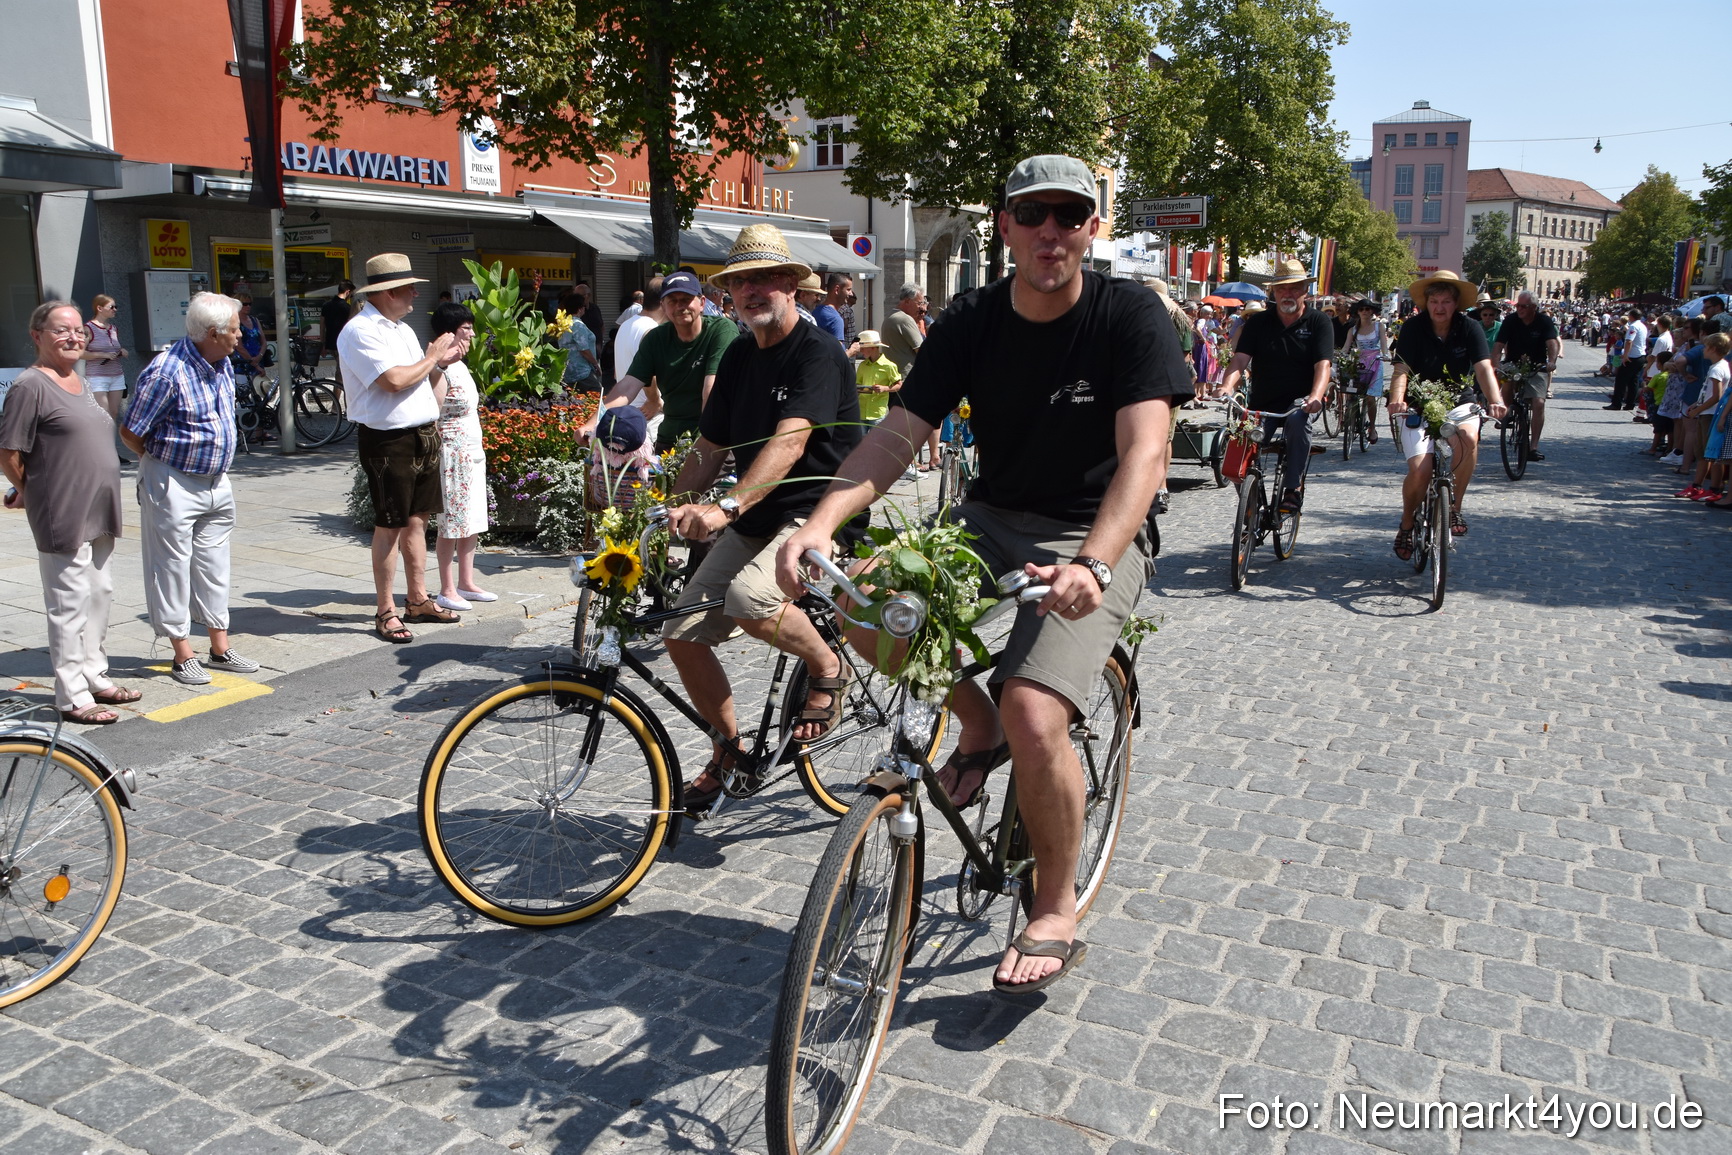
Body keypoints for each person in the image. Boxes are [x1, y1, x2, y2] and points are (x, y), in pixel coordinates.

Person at [777, 154, 1190, 992]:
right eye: (1033, 213)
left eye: (1069, 215)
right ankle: (977, 727)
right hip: (988, 520)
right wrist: (819, 523)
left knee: (1036, 706)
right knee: (859, 606)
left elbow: (1146, 455)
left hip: (1091, 527)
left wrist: (1096, 562)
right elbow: (898, 434)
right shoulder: (969, 320)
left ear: (1090, 228)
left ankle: (1054, 901)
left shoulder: (1129, 316)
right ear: (1003, 225)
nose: (1050, 230)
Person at [657, 223, 864, 810]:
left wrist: (724, 506)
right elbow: (708, 447)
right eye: (741, 281)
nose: (752, 290)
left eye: (765, 279)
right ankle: (730, 753)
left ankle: (827, 664)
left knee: (750, 600)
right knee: (682, 632)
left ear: (791, 286)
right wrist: (670, 508)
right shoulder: (741, 354)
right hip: (756, 516)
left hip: (817, 511)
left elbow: (790, 443)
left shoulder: (818, 352)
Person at [0, 301, 137, 724]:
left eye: (78, 330)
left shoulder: (78, 380)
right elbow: (9, 453)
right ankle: (72, 696)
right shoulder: (30, 385)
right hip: (63, 510)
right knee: (68, 605)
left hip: (99, 508)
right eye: (62, 330)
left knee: (99, 596)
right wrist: (32, 491)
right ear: (37, 335)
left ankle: (95, 675)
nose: (74, 337)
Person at [122, 292, 261, 685]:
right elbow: (131, 430)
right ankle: (182, 654)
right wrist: (158, 462)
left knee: (215, 569)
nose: (242, 334)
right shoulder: (167, 371)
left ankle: (220, 647)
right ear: (214, 333)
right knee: (171, 569)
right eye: (235, 329)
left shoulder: (219, 361)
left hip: (216, 481)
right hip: (174, 481)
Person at [338, 253, 468, 644]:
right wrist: (431, 357)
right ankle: (385, 610)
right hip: (387, 439)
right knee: (390, 524)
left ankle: (417, 599)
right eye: (410, 287)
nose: (415, 294)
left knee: (418, 520)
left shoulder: (400, 328)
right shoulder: (360, 331)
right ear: (388, 291)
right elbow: (393, 381)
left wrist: (439, 364)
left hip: (420, 432)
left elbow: (419, 380)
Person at [1386, 270, 1507, 556]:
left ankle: (1454, 508)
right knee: (1420, 470)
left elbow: (1483, 367)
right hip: (1418, 404)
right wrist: (1397, 399)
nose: (1440, 307)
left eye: (1446, 301)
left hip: (1458, 401)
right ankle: (1406, 523)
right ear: (1426, 303)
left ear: (1457, 304)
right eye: (1434, 301)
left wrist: (1496, 399)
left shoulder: (1470, 328)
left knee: (1468, 440)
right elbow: (1401, 369)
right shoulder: (1413, 328)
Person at [1216, 259, 1331, 512]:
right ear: (1273, 293)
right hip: (1263, 403)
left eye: (1294, 288)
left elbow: (1323, 365)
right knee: (1239, 451)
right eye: (1281, 289)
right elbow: (1240, 360)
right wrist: (1226, 387)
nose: (1287, 294)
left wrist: (1315, 396)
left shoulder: (1318, 322)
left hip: (1300, 402)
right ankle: (1250, 504)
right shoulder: (1258, 323)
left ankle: (1293, 488)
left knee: (1298, 422)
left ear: (1305, 291)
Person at [580, 270, 735, 453]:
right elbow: (627, 386)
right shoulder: (656, 338)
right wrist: (592, 423)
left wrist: (706, 442)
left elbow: (711, 389)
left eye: (686, 299)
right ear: (663, 305)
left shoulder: (721, 330)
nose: (680, 306)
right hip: (670, 439)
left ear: (701, 303)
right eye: (672, 301)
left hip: (712, 439)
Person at [428, 302, 494, 613]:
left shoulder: (462, 364)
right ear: (447, 333)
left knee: (473, 518)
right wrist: (439, 365)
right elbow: (435, 404)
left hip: (471, 448)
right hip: (452, 451)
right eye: (463, 329)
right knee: (452, 521)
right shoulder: (436, 364)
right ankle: (446, 588)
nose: (470, 334)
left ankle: (467, 581)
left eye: (470, 328)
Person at [1491, 290, 1559, 460]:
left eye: (1523, 306)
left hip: (1537, 365)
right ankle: (1508, 413)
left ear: (1534, 307)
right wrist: (1496, 364)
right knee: (1506, 381)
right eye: (1518, 305)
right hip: (1513, 363)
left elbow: (1552, 343)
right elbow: (1499, 344)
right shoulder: (1511, 320)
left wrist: (1551, 361)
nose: (1519, 309)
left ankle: (1533, 446)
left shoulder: (1544, 321)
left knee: (1538, 402)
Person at [883, 283, 930, 465]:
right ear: (908, 301)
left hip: (895, 378)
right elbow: (922, 350)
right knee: (909, 424)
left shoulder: (891, 317)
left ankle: (904, 461)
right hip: (906, 379)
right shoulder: (904, 319)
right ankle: (907, 462)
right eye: (919, 302)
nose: (922, 306)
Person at [81, 294, 129, 435]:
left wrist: (121, 351)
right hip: (97, 376)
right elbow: (79, 353)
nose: (115, 309)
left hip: (117, 375)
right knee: (103, 414)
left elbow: (113, 348)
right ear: (99, 308)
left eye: (116, 307)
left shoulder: (113, 328)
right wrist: (103, 355)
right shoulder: (88, 328)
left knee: (113, 413)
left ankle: (111, 450)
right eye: (111, 307)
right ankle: (100, 449)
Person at [1342, 298, 1387, 444]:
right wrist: (1338, 356)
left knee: (1370, 397)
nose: (1365, 312)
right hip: (1359, 363)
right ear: (1357, 312)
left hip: (1375, 362)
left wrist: (1386, 355)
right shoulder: (1353, 330)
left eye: (1368, 309)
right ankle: (1350, 419)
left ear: (1372, 311)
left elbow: (1384, 345)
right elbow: (1346, 348)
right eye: (1361, 309)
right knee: (1351, 392)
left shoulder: (1379, 327)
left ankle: (1372, 427)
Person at [852, 329, 902, 424]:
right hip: (861, 411)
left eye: (863, 347)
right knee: (861, 439)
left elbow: (899, 385)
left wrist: (885, 388)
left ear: (873, 348)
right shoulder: (862, 365)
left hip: (877, 412)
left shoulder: (889, 366)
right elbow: (857, 384)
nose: (860, 351)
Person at [557, 288, 601, 393]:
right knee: (597, 395)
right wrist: (596, 364)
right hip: (581, 371)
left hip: (568, 371)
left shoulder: (563, 325)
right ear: (580, 309)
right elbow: (584, 349)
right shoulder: (578, 325)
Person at [1609, 308, 1648, 411]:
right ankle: (1630, 404)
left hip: (1633, 356)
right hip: (1641, 355)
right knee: (1633, 381)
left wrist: (1625, 355)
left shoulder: (1633, 326)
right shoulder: (1643, 326)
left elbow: (1629, 341)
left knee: (1621, 380)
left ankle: (1616, 403)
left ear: (1631, 316)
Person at [321, 280, 357, 369]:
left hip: (330, 343)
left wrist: (323, 345)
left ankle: (339, 382)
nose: (350, 297)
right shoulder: (347, 308)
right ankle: (339, 383)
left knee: (340, 366)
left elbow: (322, 326)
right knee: (341, 369)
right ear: (347, 292)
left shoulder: (326, 305)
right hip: (343, 343)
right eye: (351, 295)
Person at [813, 274, 850, 345]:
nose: (851, 293)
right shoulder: (835, 319)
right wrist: (852, 350)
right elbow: (837, 355)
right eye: (848, 289)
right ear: (837, 289)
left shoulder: (815, 311)